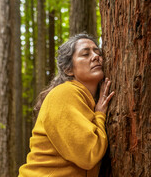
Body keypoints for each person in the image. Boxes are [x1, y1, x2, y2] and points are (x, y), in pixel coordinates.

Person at [18, 33, 115, 177]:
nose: (95, 56)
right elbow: (88, 153)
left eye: (97, 52)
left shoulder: (83, 100)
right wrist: (100, 115)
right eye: (85, 54)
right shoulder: (64, 93)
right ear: (69, 70)